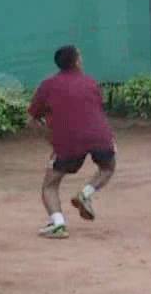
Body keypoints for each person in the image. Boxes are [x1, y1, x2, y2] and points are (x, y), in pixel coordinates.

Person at [27, 44, 116, 240]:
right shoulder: (91, 83)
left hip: (67, 143)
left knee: (49, 186)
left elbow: (32, 119)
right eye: (80, 56)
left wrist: (50, 139)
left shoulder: (47, 85)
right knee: (108, 167)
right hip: (100, 136)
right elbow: (94, 111)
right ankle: (85, 193)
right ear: (76, 61)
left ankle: (58, 225)